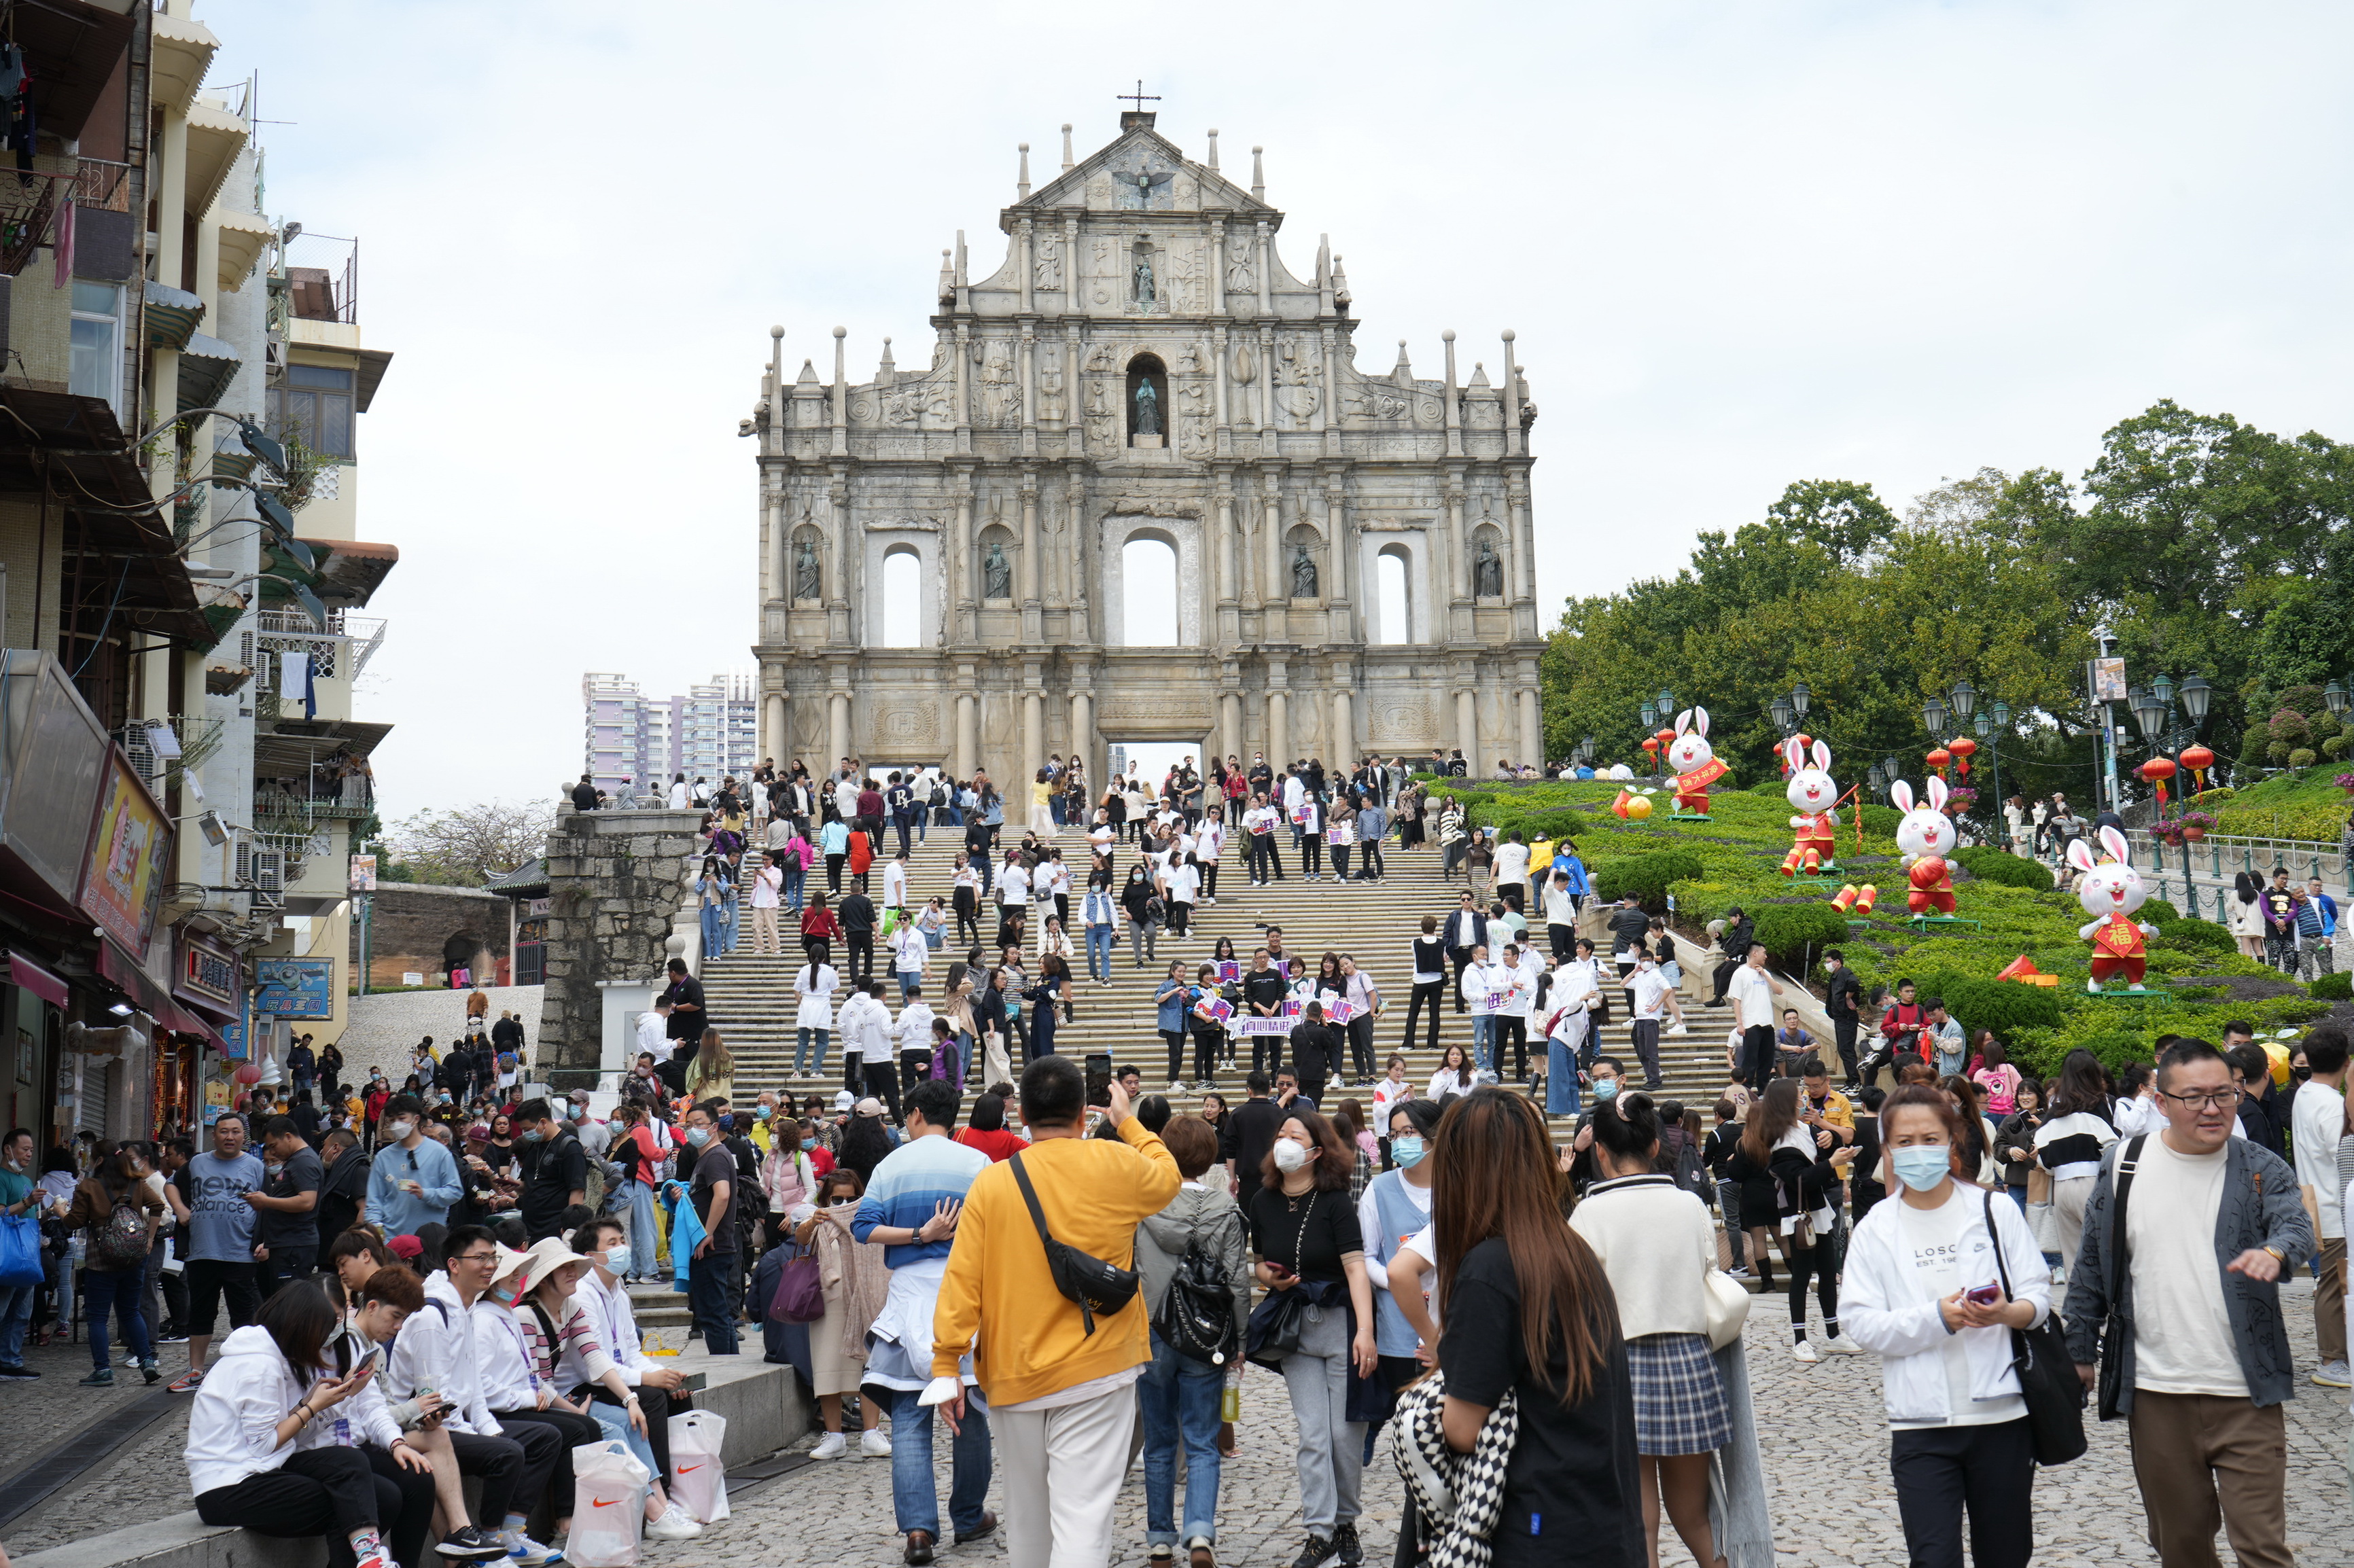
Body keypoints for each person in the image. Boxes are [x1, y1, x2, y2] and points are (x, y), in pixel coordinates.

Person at [2063, 1038, 2314, 1568]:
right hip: (2157, 1394)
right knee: (2181, 1548)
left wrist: (2276, 1251)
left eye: (2225, 1094)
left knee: (2262, 1548)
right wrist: (2079, 1349)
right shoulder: (2124, 1166)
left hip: (2247, 1393)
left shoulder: (2260, 1165)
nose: (2212, 1108)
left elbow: (2294, 1223)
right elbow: (2091, 1265)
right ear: (2162, 1103)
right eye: (2194, 1097)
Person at [1413, 1088, 1643, 1568]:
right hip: (1596, 1520)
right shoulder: (1568, 1248)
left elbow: (1460, 1427)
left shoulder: (1490, 1269)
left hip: (1533, 1527)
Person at [1843, 1083, 2054, 1568]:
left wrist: (2005, 1312)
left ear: (1952, 1139)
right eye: (1905, 1142)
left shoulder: (1994, 1210)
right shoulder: (1877, 1226)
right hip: (1920, 1423)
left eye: (1930, 1138)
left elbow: (2038, 1299)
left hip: (2001, 1418)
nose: (1919, 1151)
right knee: (1933, 1556)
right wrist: (1937, 1317)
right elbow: (1860, 1321)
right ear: (1888, 1148)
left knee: (2005, 1554)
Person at [1570, 1091, 1733, 1568]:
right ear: (1656, 1146)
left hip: (1618, 1365)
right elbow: (1709, 1271)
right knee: (1696, 1517)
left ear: (1600, 1150)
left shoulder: (1588, 1215)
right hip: (1688, 1360)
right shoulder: (1689, 1206)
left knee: (1638, 1522)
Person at [185, 1283, 434, 1568]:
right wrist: (314, 1406)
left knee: (375, 1488)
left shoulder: (269, 1356)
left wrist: (325, 1403)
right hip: (230, 1486)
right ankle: (370, 1560)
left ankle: (370, 1560)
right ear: (301, 1325)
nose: (324, 1339)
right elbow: (265, 1444)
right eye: (323, 1328)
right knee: (361, 1500)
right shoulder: (261, 1365)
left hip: (259, 1470)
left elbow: (280, 1434)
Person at [852, 1079, 994, 1566]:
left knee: (911, 1417)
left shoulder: (891, 1165)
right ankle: (970, 1515)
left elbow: (864, 1228)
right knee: (971, 1411)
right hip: (966, 1297)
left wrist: (916, 1234)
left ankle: (918, 1531)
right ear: (951, 1117)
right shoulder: (977, 1164)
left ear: (913, 1114)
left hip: (908, 1298)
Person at [1245, 1101, 1377, 1568]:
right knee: (1312, 1435)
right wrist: (1269, 1278)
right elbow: (1259, 1260)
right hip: (1295, 1328)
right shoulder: (1261, 1201)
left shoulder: (1338, 1202)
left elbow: (1356, 1268)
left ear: (1318, 1151)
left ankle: (1347, 1522)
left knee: (1345, 1436)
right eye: (1283, 1134)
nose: (1286, 1141)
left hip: (1340, 1325)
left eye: (1297, 1136)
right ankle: (1319, 1531)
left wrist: (1365, 1331)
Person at [1131, 1108, 1250, 1568]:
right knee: (1202, 1442)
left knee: (1159, 1442)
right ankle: (1200, 1533)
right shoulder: (1226, 1208)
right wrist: (1241, 1338)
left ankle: (1160, 1539)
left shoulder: (1145, 1204)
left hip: (1154, 1330)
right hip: (1207, 1334)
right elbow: (1238, 1279)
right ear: (1210, 1157)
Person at [565, 1218, 699, 1483]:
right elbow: (592, 1368)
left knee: (677, 1394)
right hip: (582, 1386)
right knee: (651, 1396)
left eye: (622, 1241)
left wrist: (663, 1373)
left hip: (614, 1377)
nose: (622, 1248)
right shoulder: (581, 1295)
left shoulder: (617, 1289)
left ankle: (689, 1482)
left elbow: (631, 1351)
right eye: (612, 1243)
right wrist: (646, 1379)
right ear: (590, 1256)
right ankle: (661, 1490)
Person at [795, 1166, 892, 1459]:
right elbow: (800, 1238)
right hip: (828, 1302)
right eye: (836, 1200)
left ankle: (871, 1432)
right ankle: (834, 1436)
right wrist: (814, 1220)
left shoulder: (869, 1220)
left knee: (869, 1366)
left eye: (850, 1199)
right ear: (826, 1198)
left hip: (864, 1299)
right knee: (828, 1366)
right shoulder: (817, 1219)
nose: (843, 1205)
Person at [174, 1111, 269, 1393]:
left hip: (240, 1252)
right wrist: (180, 1209)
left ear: (244, 1137)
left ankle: (245, 1374)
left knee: (243, 1316)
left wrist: (267, 1242)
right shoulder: (196, 1163)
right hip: (202, 1252)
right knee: (201, 1313)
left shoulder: (256, 1167)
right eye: (224, 1131)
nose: (230, 1137)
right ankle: (195, 1372)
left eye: (236, 1132)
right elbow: (171, 1186)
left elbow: (269, 1207)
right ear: (213, 1135)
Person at [65, 1143, 165, 1385]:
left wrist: (59, 1211)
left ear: (99, 1162)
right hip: (134, 1255)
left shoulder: (88, 1186)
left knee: (98, 1317)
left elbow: (73, 1222)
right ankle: (147, 1362)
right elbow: (158, 1206)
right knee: (131, 1311)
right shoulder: (136, 1182)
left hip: (101, 1258)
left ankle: (103, 1370)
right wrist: (149, 1239)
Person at [2288, 1022, 2348, 1388]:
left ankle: (2336, 1356)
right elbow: (2341, 1154)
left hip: (2314, 1202)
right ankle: (2332, 1360)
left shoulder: (2306, 1093)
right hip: (2333, 1206)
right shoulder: (2331, 1104)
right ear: (2345, 1061)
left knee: (2330, 1283)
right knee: (2332, 1286)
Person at [2032, 1050, 2117, 1280]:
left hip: (2061, 1187)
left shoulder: (2056, 1107)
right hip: (2095, 1183)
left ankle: (2079, 1310)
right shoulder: (2100, 1102)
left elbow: (2041, 1155)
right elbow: (2112, 1147)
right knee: (2106, 1253)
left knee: (2074, 1259)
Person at [674, 1101, 741, 1355]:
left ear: (714, 1127)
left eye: (699, 1124)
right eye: (688, 1125)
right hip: (710, 1245)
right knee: (717, 1313)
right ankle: (729, 1363)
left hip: (713, 1247)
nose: (692, 1129)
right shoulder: (705, 1157)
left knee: (712, 1314)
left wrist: (707, 1233)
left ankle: (724, 1365)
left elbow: (722, 1195)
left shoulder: (715, 1156)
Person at [252, 1116, 326, 1295]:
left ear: (288, 1136)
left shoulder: (304, 1161)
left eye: (273, 1146)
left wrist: (266, 1201)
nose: (272, 1152)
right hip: (286, 1244)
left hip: (295, 1247)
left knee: (289, 1302)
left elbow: (307, 1201)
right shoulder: (296, 1160)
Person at [1727, 943, 1781, 1093]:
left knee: (1766, 1061)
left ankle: (1763, 1092)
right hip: (1751, 1024)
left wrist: (1764, 974)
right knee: (1750, 1061)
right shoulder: (1740, 973)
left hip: (1768, 1024)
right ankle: (1745, 1090)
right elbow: (1736, 1000)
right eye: (1764, 953)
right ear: (1755, 953)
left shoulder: (1765, 973)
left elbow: (1779, 991)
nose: (1766, 956)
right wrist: (1740, 1024)